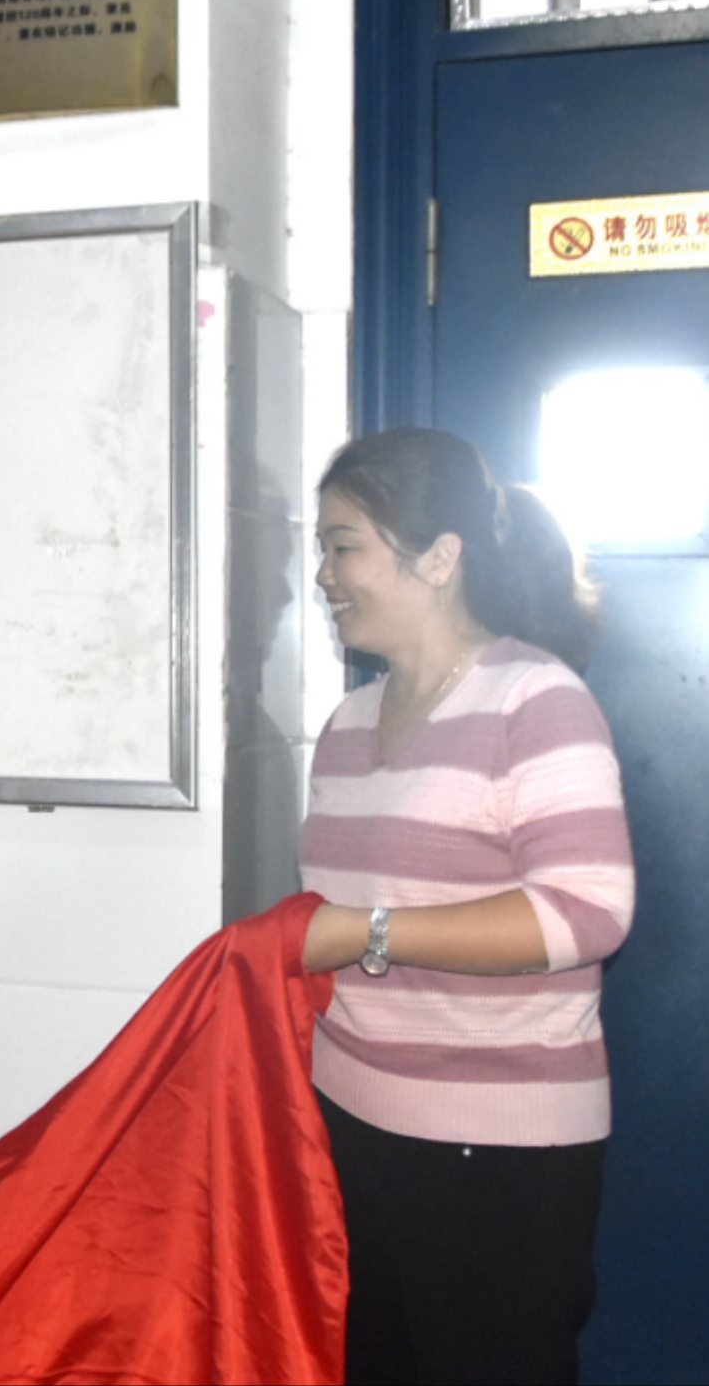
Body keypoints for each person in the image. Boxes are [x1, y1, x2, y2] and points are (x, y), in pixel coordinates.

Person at [299, 427, 633, 1385]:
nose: (324, 574)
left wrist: (367, 933)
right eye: (322, 549)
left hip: (501, 1147)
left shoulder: (537, 699)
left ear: (439, 557)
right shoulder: (346, 723)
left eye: (344, 545)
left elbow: (587, 911)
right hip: (351, 1123)